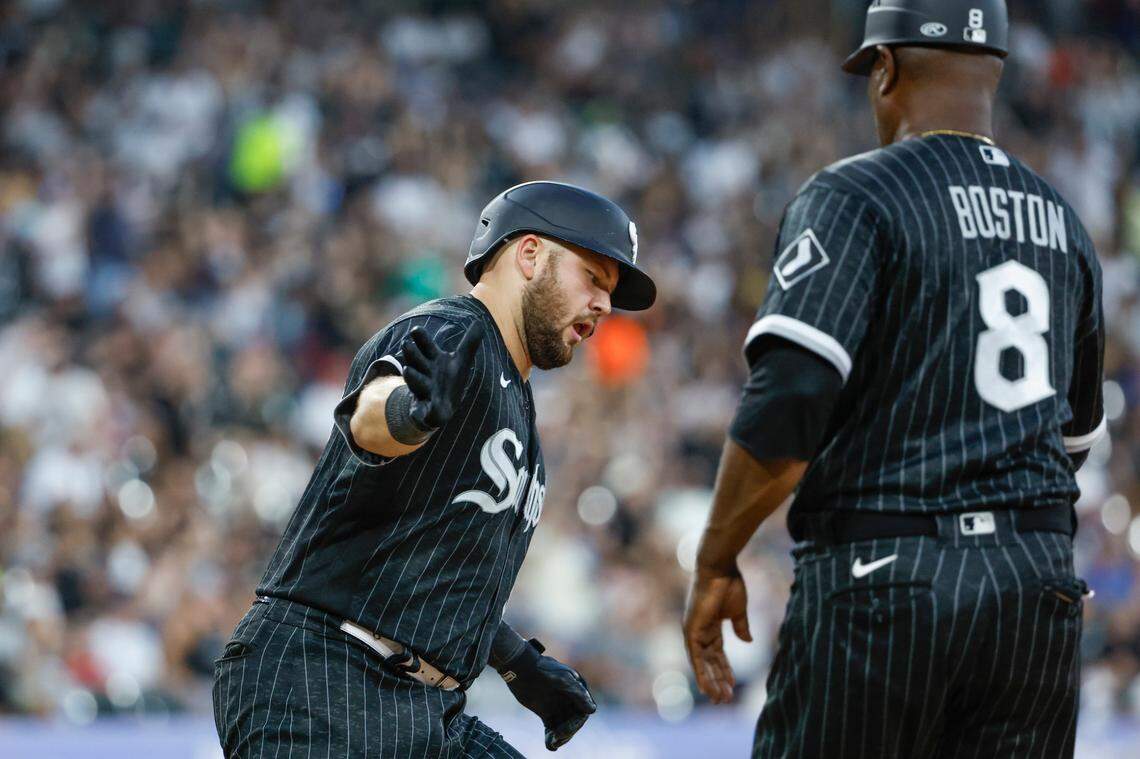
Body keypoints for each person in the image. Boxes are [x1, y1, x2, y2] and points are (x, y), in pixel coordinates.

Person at [682, 1, 1104, 756]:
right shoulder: (1062, 221)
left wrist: (716, 557)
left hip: (888, 575)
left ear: (885, 69)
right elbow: (1073, 439)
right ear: (995, 73)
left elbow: (791, 397)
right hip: (1034, 591)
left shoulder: (854, 195)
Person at [212, 181, 656, 757]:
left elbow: (435, 570)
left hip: (424, 709)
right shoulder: (458, 333)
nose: (604, 304)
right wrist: (411, 414)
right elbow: (372, 418)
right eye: (593, 277)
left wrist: (519, 661)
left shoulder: (516, 398)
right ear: (528, 255)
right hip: (322, 678)